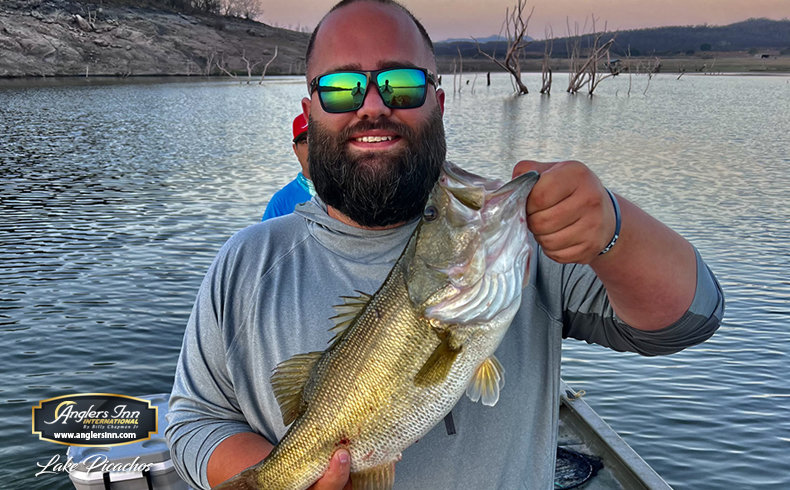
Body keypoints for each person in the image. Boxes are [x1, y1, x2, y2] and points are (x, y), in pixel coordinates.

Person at [166, 1, 724, 489]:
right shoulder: (246, 262)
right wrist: (277, 478)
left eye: (402, 82)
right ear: (309, 112)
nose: (372, 106)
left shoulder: (525, 242)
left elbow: (688, 320)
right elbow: (193, 420)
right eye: (340, 88)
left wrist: (615, 231)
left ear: (438, 99)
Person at [261, 113, 315, 221]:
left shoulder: (351, 193)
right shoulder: (281, 202)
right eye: (304, 142)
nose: (312, 148)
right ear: (295, 149)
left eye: (317, 140)